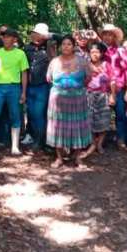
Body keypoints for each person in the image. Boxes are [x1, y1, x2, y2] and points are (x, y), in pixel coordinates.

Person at [46, 35, 92, 168]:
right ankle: (59, 158)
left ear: (74, 46)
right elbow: (48, 78)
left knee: (78, 127)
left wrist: (75, 87)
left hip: (77, 99)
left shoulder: (82, 61)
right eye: (64, 44)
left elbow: (88, 77)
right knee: (57, 127)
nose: (66, 46)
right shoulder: (54, 62)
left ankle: (78, 158)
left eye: (69, 44)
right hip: (58, 100)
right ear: (60, 46)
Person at [23, 23, 55, 150]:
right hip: (29, 85)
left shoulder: (49, 47)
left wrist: (47, 37)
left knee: (39, 113)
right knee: (31, 112)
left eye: (38, 34)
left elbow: (62, 37)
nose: (34, 36)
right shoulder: (27, 48)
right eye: (34, 33)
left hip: (42, 86)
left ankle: (40, 140)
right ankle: (34, 136)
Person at [100, 24, 127, 148]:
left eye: (110, 35)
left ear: (114, 37)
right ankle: (99, 141)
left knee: (120, 114)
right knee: (101, 114)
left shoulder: (120, 51)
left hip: (118, 88)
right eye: (105, 34)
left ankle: (121, 139)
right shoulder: (100, 50)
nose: (107, 37)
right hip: (102, 88)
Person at [83, 42, 113, 157]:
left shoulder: (107, 65)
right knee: (88, 121)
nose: (94, 54)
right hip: (88, 95)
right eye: (92, 52)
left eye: (97, 52)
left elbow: (112, 81)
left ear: (101, 53)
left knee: (104, 121)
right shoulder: (85, 65)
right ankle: (93, 144)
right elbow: (81, 81)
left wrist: (113, 95)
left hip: (103, 95)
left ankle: (99, 144)